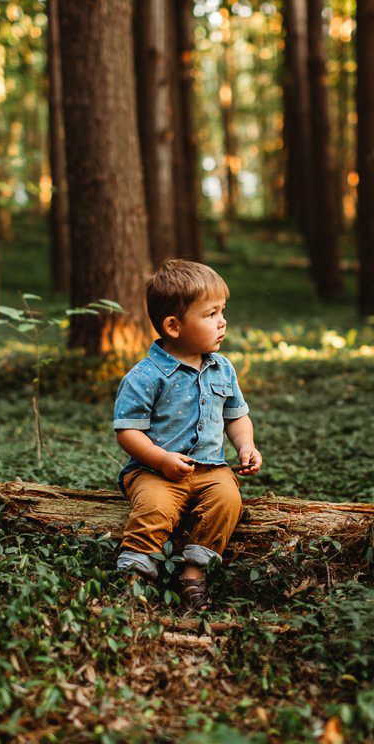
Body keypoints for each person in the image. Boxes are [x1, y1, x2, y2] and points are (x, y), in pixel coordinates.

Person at [112, 259, 262, 612]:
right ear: (173, 326)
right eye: (211, 314)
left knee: (228, 501)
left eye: (223, 311)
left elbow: (236, 416)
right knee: (155, 507)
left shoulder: (222, 368)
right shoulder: (146, 375)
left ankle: (193, 573)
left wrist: (246, 446)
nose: (223, 321)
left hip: (210, 468)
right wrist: (161, 460)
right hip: (154, 471)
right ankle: (134, 576)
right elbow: (128, 431)